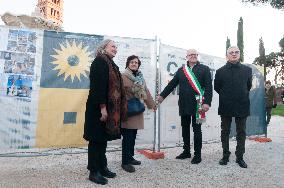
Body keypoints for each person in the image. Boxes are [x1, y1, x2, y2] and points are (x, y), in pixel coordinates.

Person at [157, 49, 212, 164]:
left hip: (199, 104)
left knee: (197, 130)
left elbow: (208, 87)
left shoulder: (204, 69)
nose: (193, 56)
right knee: (185, 128)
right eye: (191, 54)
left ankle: (198, 155)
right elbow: (172, 84)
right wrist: (162, 96)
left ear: (197, 56)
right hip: (184, 104)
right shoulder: (181, 70)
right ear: (186, 57)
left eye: (195, 54)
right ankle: (186, 151)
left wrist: (207, 102)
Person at [83, 39, 127, 185]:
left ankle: (103, 167)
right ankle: (93, 171)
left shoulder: (110, 63)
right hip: (98, 108)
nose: (115, 49)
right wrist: (103, 108)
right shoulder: (99, 62)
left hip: (107, 108)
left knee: (103, 139)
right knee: (96, 140)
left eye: (116, 47)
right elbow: (98, 87)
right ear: (104, 48)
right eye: (113, 46)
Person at [214, 46, 252, 168]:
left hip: (242, 104)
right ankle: (225, 156)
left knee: (241, 132)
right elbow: (217, 88)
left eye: (236, 52)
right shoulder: (220, 71)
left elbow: (248, 86)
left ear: (239, 54)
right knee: (225, 131)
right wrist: (227, 95)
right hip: (226, 105)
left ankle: (239, 157)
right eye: (231, 52)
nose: (234, 54)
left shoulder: (247, 70)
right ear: (227, 55)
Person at [121, 55, 157, 173]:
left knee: (133, 136)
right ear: (128, 63)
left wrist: (152, 105)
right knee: (127, 137)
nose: (134, 64)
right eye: (132, 62)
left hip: (137, 109)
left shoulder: (140, 77)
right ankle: (125, 162)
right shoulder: (122, 76)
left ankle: (130, 158)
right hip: (127, 110)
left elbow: (145, 92)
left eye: (136, 62)